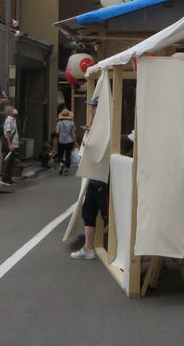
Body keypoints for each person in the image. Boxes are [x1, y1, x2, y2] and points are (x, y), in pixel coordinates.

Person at [71, 96, 108, 261]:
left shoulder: (106, 126)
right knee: (89, 211)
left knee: (107, 214)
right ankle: (88, 247)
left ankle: (119, 250)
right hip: (94, 176)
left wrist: (90, 142)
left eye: (94, 107)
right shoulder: (98, 126)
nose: (92, 110)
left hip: (101, 176)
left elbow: (102, 149)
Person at [1, 106, 20, 186]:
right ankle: (4, 179)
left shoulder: (13, 119)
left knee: (11, 162)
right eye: (12, 109)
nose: (14, 110)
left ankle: (9, 179)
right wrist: (9, 144)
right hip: (10, 144)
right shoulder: (9, 120)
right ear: (9, 112)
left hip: (13, 144)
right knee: (7, 162)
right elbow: (8, 133)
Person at [55, 108, 77, 175]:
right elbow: (73, 133)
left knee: (60, 155)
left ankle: (61, 163)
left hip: (61, 141)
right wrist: (75, 141)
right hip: (69, 141)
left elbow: (57, 132)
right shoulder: (72, 123)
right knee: (68, 155)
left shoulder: (59, 123)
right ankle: (66, 170)